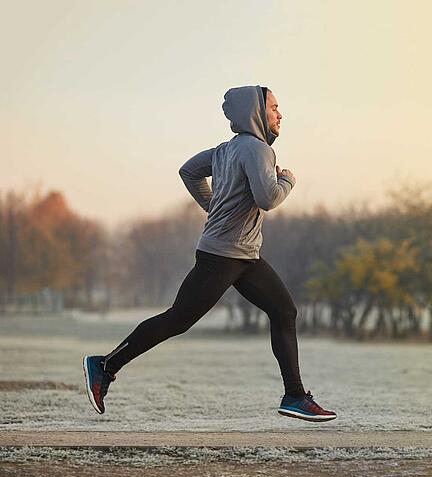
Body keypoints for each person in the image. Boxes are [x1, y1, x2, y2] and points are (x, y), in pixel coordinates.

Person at [83, 85, 336, 422]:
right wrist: (287, 180)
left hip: (244, 256)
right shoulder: (259, 150)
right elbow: (268, 198)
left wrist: (212, 204)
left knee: (284, 311)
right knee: (178, 319)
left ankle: (294, 395)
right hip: (223, 256)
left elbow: (188, 170)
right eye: (274, 107)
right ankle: (104, 366)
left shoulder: (226, 149)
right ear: (257, 112)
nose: (280, 114)